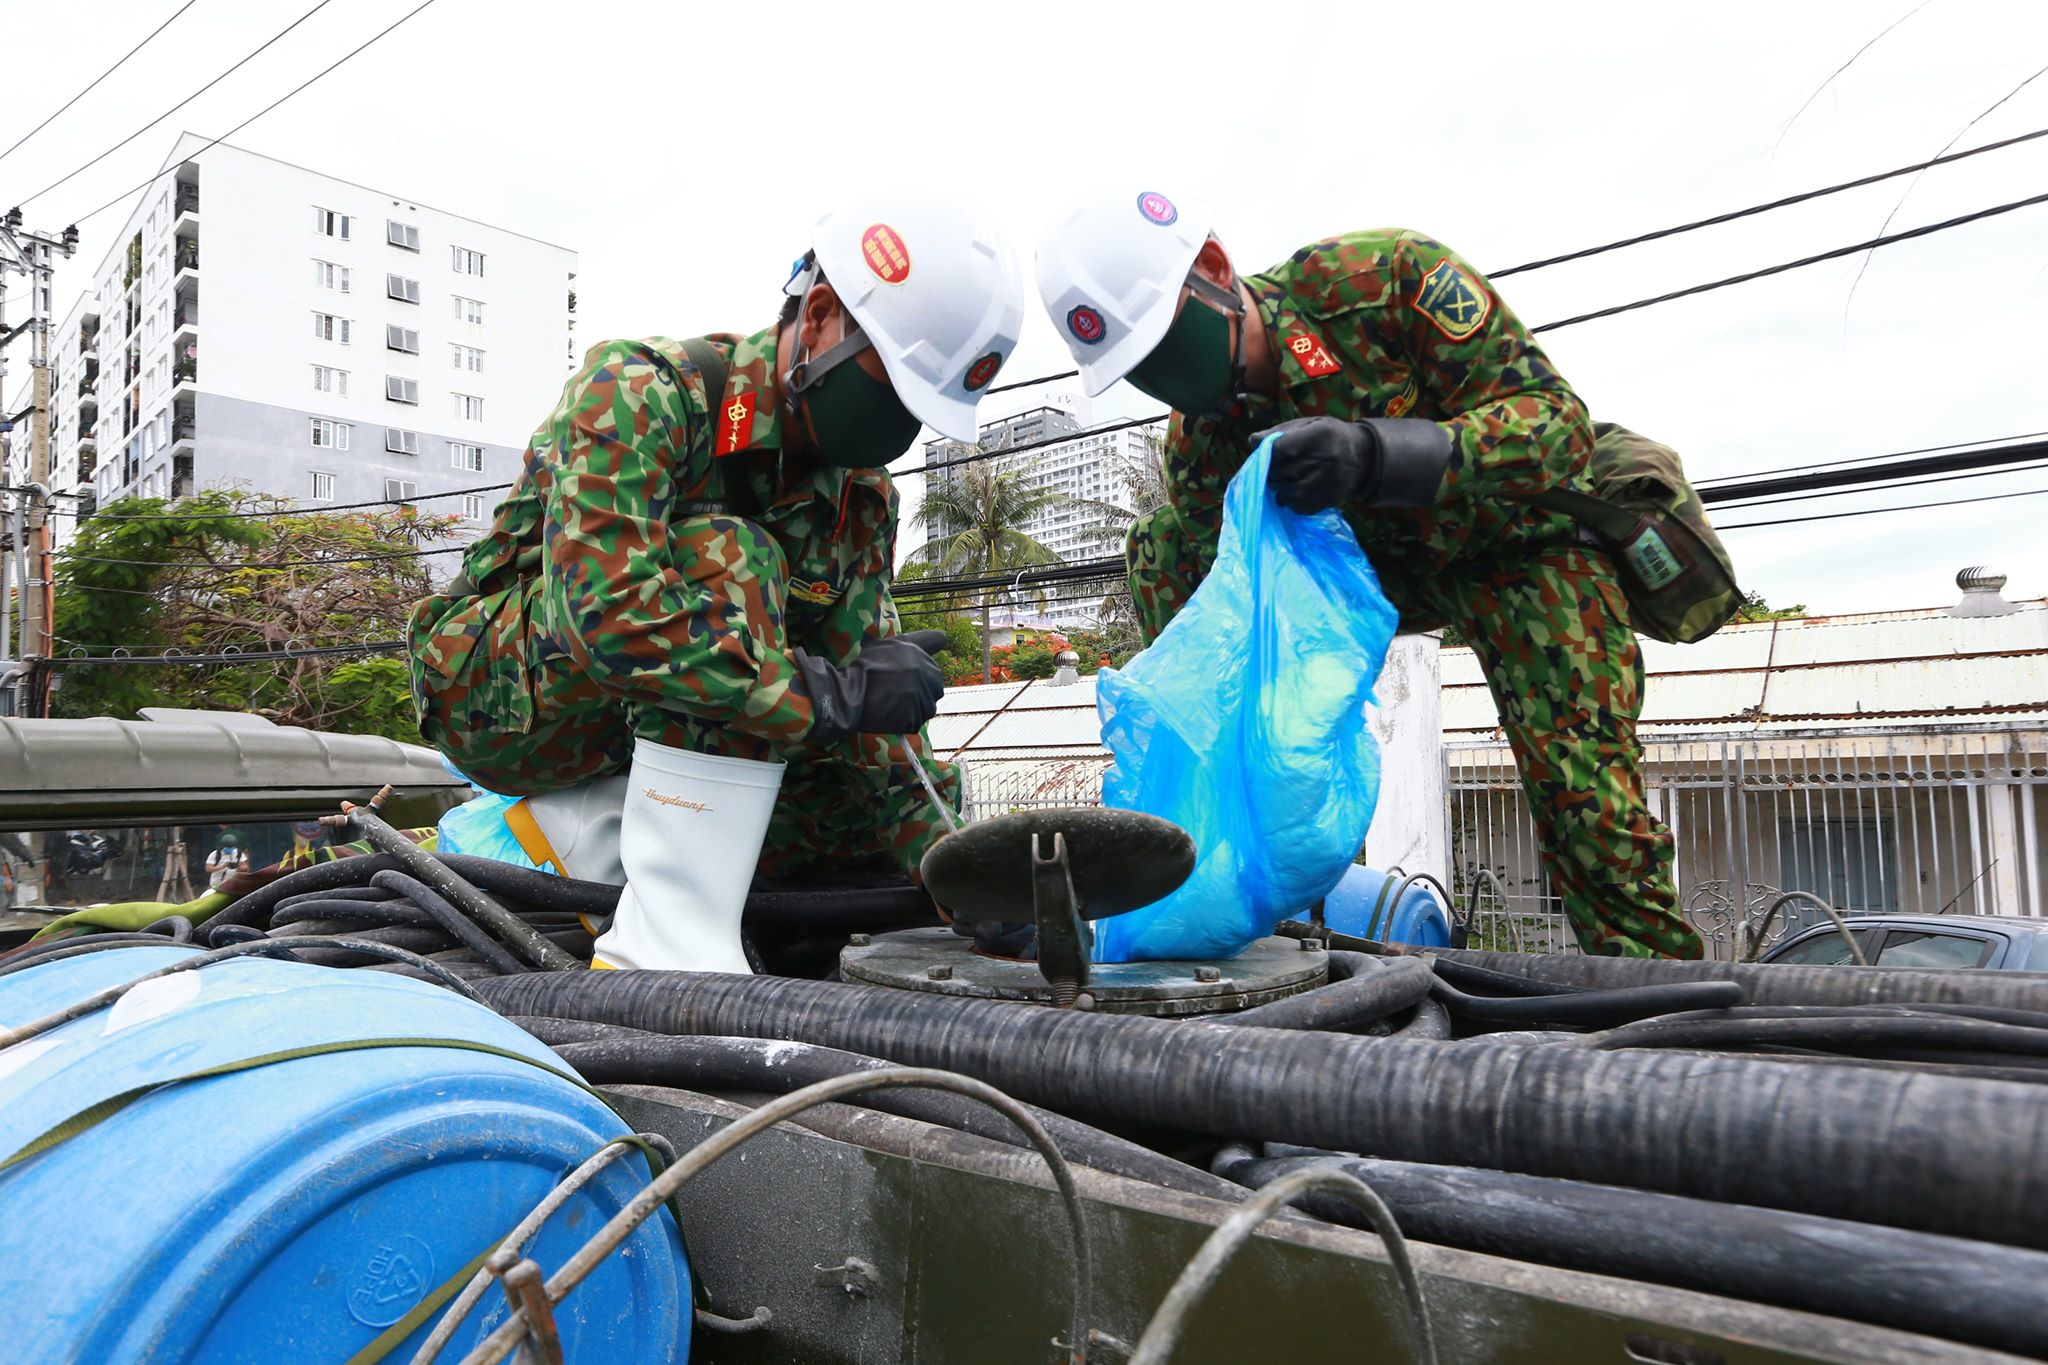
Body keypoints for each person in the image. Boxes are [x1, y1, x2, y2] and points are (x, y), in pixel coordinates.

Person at [1035, 190, 1700, 959]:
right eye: (1133, 369)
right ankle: (1255, 875)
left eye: (1159, 341)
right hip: (1367, 586)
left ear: (1214, 268)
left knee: (1587, 804)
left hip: (1519, 546)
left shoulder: (1377, 282)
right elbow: (1227, 583)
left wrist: (1375, 451)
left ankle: (1667, 1017)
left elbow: (1557, 425)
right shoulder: (1199, 444)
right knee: (1164, 546)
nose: (1160, 378)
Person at [410, 195, 1024, 973]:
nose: (901, 424)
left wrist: (962, 874)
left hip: (660, 713)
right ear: (824, 317)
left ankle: (639, 844)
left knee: (846, 807)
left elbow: (869, 725)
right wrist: (830, 694)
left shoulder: (860, 499)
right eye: (894, 385)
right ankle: (664, 952)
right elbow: (603, 614)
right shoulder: (642, 391)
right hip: (495, 692)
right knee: (734, 559)